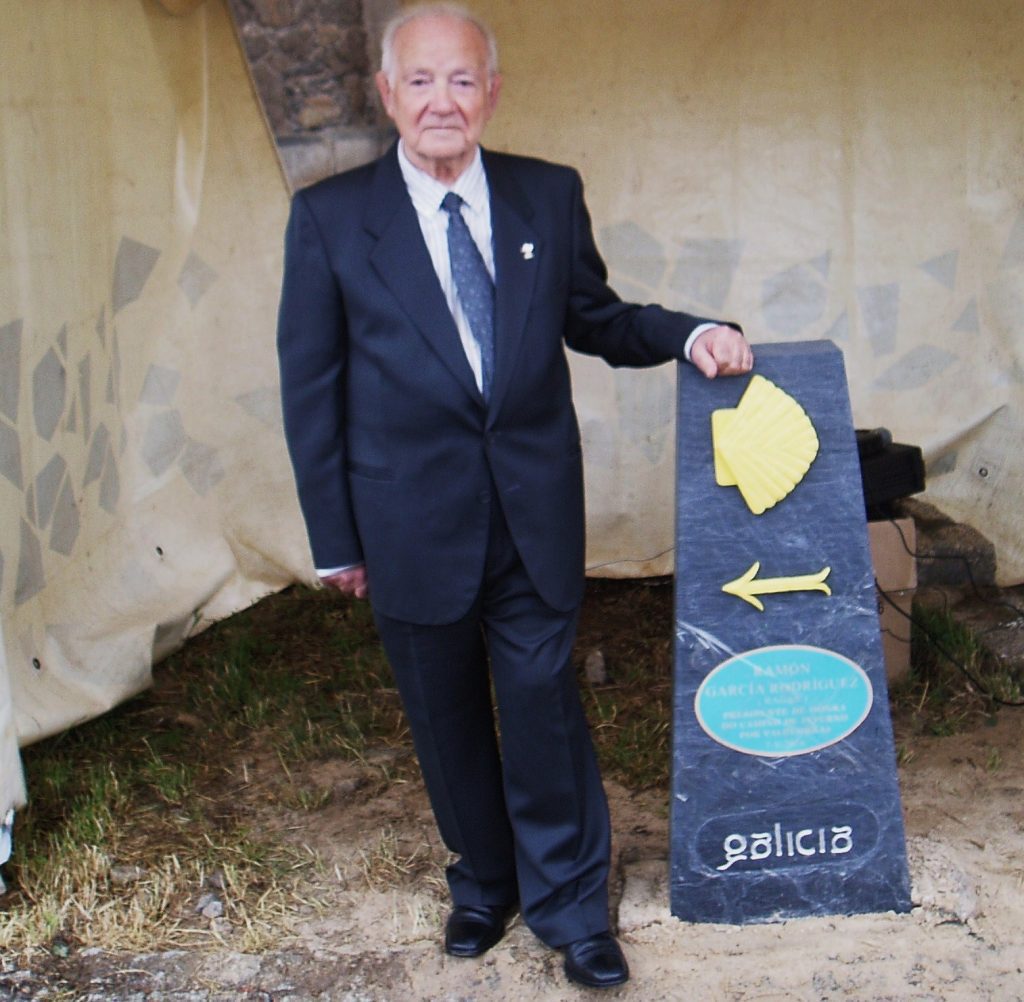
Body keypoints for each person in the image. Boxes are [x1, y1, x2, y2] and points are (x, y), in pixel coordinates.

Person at [277, 2, 753, 989]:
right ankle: (483, 885)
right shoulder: (329, 218)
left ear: (491, 92)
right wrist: (334, 538)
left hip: (532, 510)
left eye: (461, 80)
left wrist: (687, 332)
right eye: (420, 81)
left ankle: (574, 909)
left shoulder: (544, 195)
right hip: (405, 517)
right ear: (386, 94)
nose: (441, 101)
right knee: (443, 715)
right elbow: (310, 387)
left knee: (542, 706)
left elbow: (595, 316)